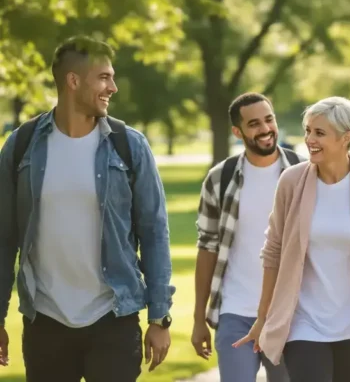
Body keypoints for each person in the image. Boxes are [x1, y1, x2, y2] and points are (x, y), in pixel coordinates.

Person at [0, 36, 174, 381]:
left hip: (113, 317)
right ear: (73, 81)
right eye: (104, 77)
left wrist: (159, 317)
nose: (114, 87)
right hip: (45, 320)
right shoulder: (21, 146)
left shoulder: (129, 146)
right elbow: (4, 238)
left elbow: (154, 233)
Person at [233, 96, 350, 382]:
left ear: (346, 137)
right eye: (307, 131)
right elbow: (273, 251)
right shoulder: (292, 182)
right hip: (304, 323)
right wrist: (263, 315)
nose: (309, 140)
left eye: (319, 133)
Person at [192, 93, 301, 382]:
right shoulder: (220, 178)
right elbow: (207, 248)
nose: (265, 129)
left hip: (292, 315)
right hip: (235, 312)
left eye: (269, 119)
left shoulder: (304, 173)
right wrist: (198, 317)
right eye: (254, 124)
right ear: (237, 132)